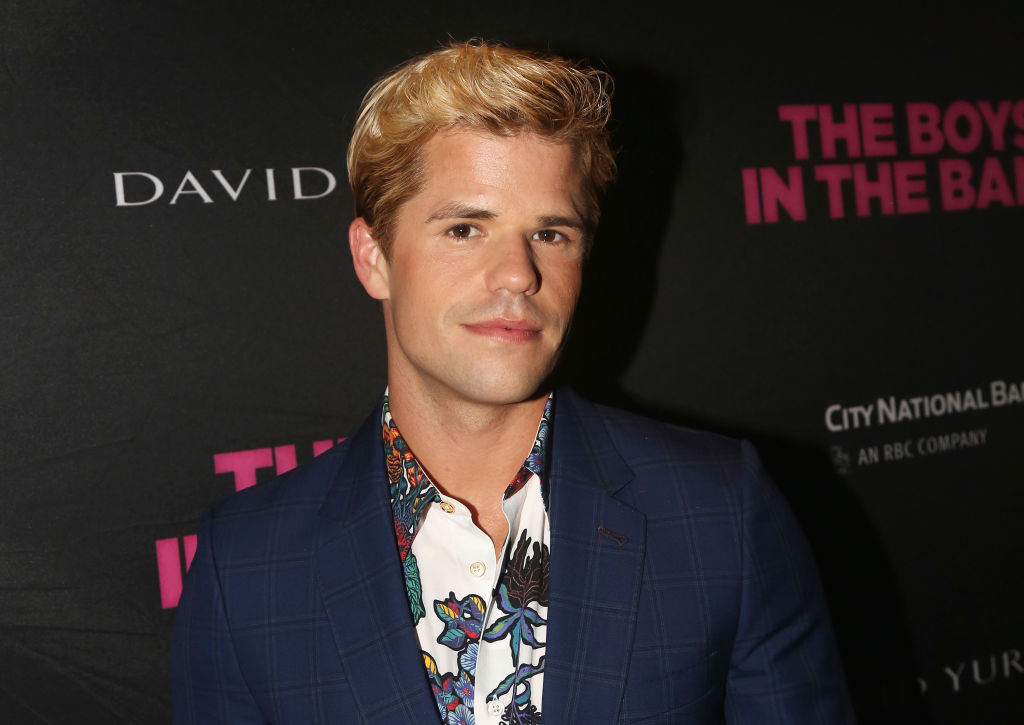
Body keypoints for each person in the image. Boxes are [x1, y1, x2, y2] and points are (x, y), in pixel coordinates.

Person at [172, 40, 855, 724]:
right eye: (466, 227)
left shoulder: (718, 513)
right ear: (372, 257)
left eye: (552, 234)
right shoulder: (249, 566)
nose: (518, 275)